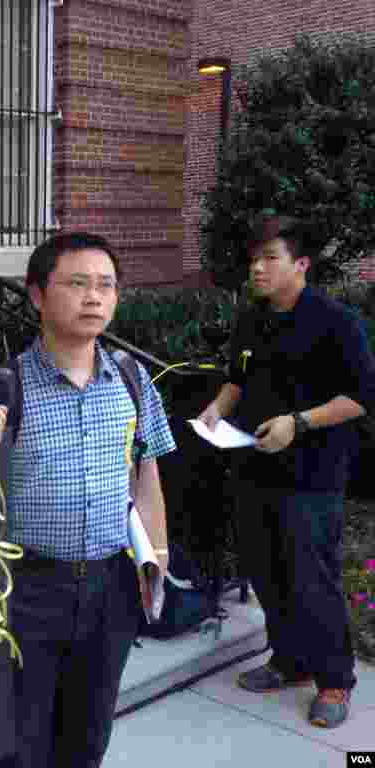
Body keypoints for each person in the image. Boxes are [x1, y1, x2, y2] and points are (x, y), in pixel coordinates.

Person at [0, 232, 175, 768]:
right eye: (77, 284)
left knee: (89, 731)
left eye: (106, 286)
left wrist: (157, 564)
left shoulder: (131, 377)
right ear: (37, 295)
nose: (94, 297)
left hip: (111, 585)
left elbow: (147, 475)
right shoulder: (2, 388)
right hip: (28, 588)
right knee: (21, 737)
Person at [197, 213, 375, 729]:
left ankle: (335, 678)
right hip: (254, 466)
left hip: (311, 475)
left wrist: (299, 422)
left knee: (310, 577)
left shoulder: (336, 321)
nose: (257, 268)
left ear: (301, 264)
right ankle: (291, 661)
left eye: (270, 258)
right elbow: (238, 376)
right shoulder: (253, 318)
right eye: (254, 259)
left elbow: (360, 397)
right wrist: (217, 409)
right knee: (267, 571)